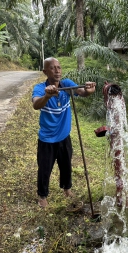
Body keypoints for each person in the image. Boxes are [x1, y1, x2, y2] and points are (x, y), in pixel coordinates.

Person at [32, 57, 96, 208]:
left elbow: (81, 92)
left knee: (66, 165)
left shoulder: (66, 84)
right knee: (45, 168)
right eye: (52, 68)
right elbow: (36, 104)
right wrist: (47, 96)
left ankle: (66, 189)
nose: (57, 70)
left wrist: (88, 90)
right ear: (45, 71)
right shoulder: (40, 88)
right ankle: (42, 196)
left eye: (59, 67)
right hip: (47, 139)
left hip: (64, 136)